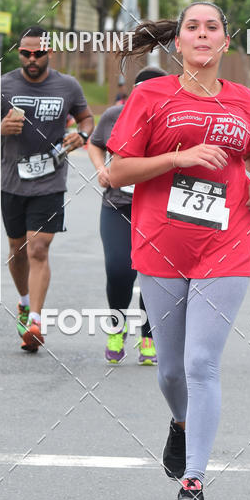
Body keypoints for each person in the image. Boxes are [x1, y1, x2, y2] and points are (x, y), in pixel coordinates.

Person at [107, 2, 250, 500]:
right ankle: (181, 424)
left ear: (225, 42)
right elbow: (115, 173)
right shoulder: (150, 95)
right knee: (172, 368)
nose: (203, 34)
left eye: (213, 28)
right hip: (160, 241)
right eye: (192, 28)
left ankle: (194, 480)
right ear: (177, 43)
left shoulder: (243, 100)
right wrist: (177, 159)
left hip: (226, 241)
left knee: (202, 364)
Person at [0, 26, 93, 352]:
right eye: (26, 53)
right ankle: (24, 302)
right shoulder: (4, 85)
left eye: (38, 53)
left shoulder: (67, 86)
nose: (32, 59)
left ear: (49, 53)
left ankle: (36, 320)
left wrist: (81, 136)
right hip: (12, 180)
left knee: (38, 247)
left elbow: (86, 119)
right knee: (18, 249)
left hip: (51, 181)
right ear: (19, 53)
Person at [87, 67, 167, 365]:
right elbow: (95, 143)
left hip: (158, 209)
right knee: (119, 269)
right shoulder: (113, 116)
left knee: (154, 274)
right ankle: (117, 327)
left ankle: (149, 335)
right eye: (140, 93)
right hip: (118, 205)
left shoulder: (173, 123)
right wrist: (101, 168)